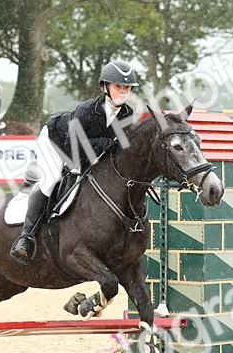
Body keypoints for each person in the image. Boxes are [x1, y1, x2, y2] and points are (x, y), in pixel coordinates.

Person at [9, 61, 137, 264]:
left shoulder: (127, 114)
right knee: (51, 180)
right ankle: (25, 237)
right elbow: (73, 146)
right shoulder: (87, 110)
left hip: (86, 149)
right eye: (118, 87)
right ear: (105, 87)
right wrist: (107, 143)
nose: (123, 91)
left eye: (127, 88)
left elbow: (118, 145)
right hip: (56, 140)